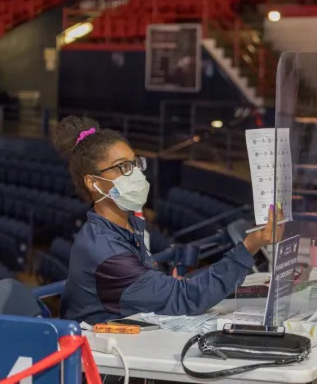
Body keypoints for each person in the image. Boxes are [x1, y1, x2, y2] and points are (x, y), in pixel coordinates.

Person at [54, 116, 283, 325]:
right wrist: (252, 244)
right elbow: (185, 298)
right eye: (123, 167)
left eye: (135, 164)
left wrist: (159, 286)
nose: (135, 174)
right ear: (93, 183)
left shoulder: (126, 225)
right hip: (99, 361)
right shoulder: (103, 250)